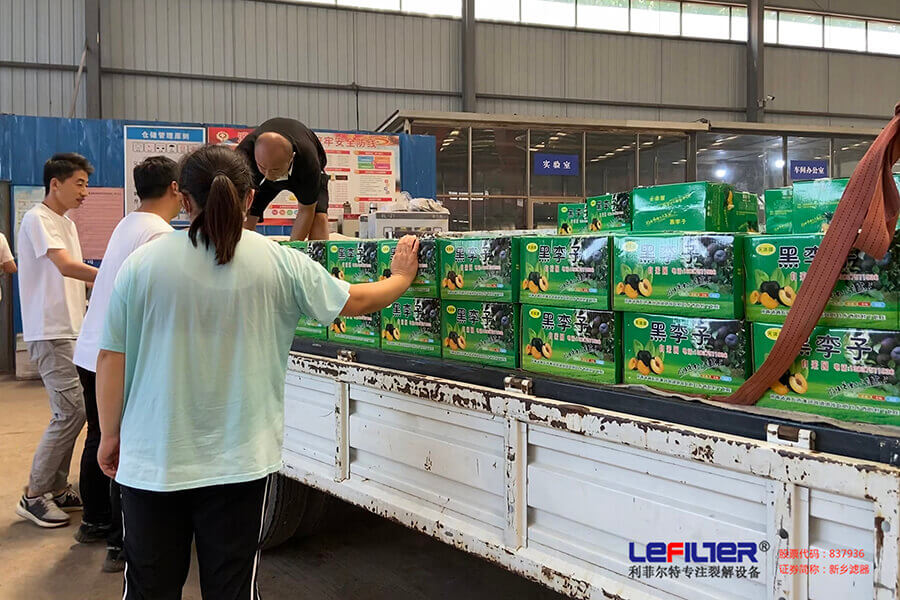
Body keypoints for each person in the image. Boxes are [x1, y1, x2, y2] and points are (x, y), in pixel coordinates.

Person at [95, 145, 418, 599]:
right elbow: (356, 301)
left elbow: (111, 357)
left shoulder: (143, 265)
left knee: (150, 588)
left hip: (153, 457)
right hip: (239, 461)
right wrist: (401, 277)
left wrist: (110, 434)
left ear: (183, 199)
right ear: (250, 198)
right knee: (232, 588)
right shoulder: (281, 262)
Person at [72, 156, 182, 572]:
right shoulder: (159, 234)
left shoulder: (128, 223)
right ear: (175, 188)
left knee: (98, 435)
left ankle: (94, 522)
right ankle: (120, 544)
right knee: (122, 447)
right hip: (116, 356)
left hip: (91, 350)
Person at [16, 153, 98, 528]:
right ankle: (34, 495)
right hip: (50, 331)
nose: (85, 192)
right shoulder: (38, 218)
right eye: (79, 183)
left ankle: (57, 486)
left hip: (71, 330)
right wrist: (113, 273)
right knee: (70, 412)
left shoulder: (65, 222)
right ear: (55, 183)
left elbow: (73, 278)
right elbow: (65, 266)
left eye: (86, 184)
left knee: (74, 412)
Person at [236, 117, 330, 241]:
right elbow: (239, 209)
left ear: (292, 158)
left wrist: (293, 249)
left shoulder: (308, 162)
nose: (268, 175)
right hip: (257, 174)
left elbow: (306, 210)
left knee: (319, 216)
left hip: (300, 172)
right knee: (248, 213)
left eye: (275, 170)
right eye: (263, 167)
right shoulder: (243, 156)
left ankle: (318, 254)